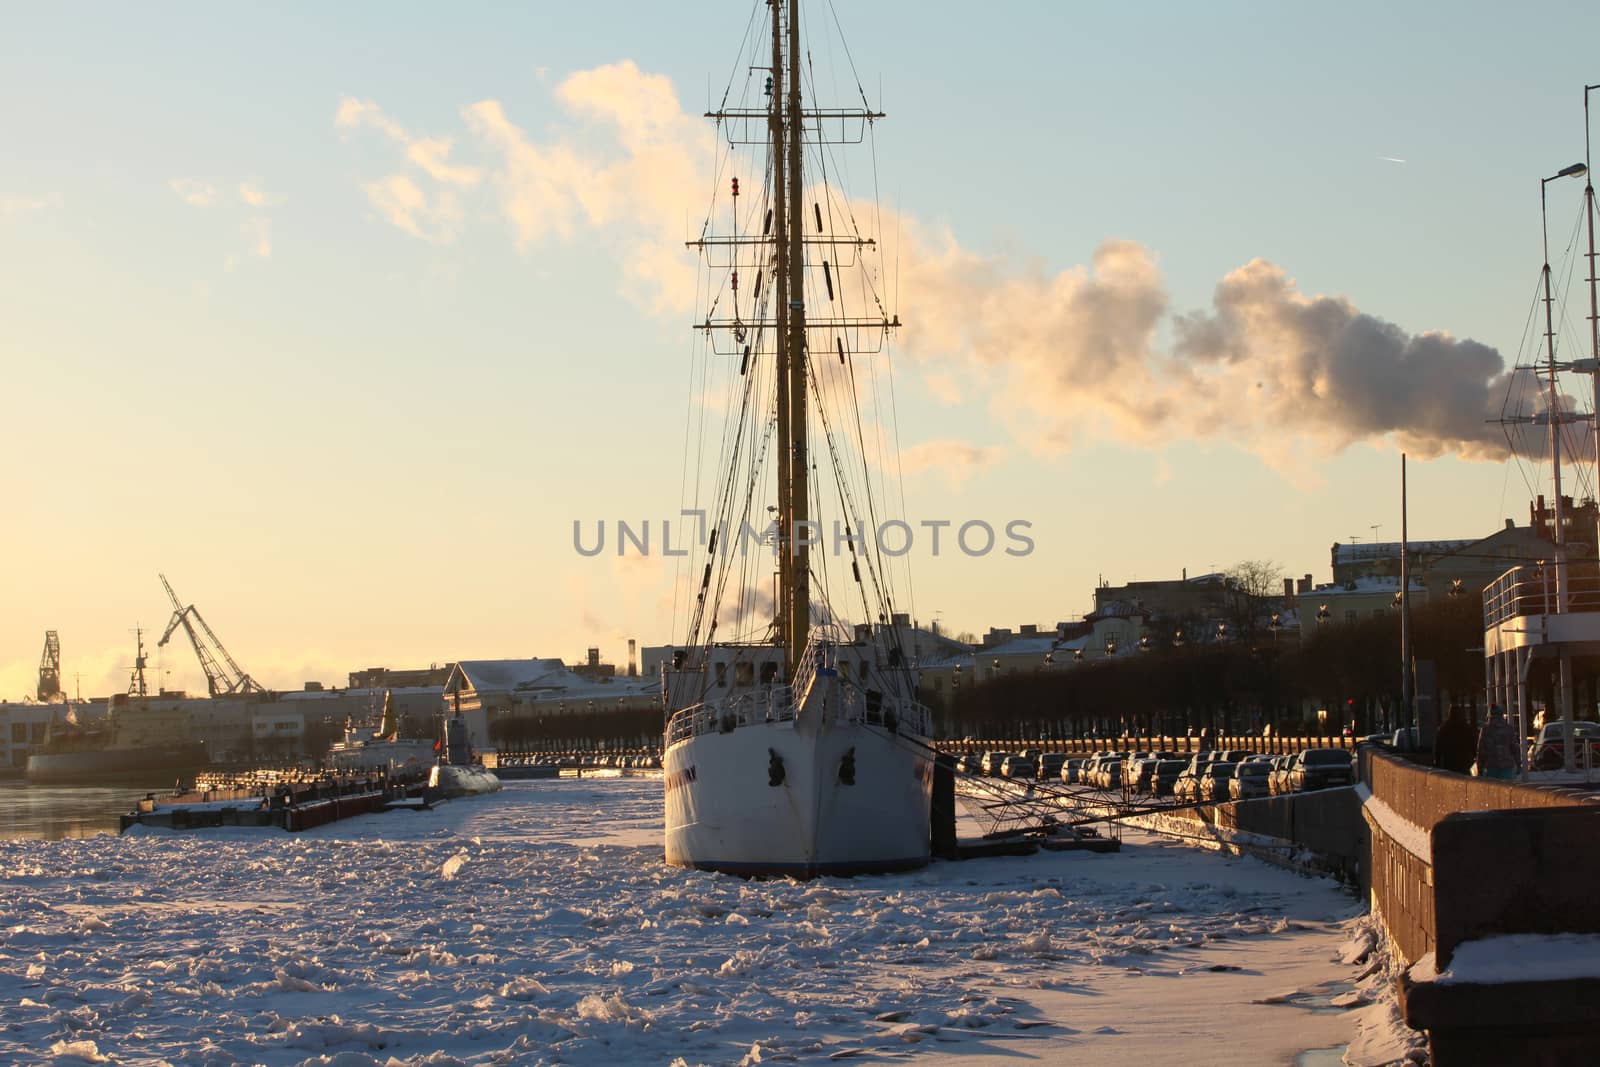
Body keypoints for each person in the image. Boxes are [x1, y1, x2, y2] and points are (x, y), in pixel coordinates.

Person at [1475, 705, 1520, 780]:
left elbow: (1481, 750)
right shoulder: (1508, 728)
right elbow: (1515, 748)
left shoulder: (1485, 729)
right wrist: (1518, 764)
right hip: (1506, 766)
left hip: (1491, 766)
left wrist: (1480, 767)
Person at [1434, 705, 1476, 774]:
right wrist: (1474, 756)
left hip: (1449, 761)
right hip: (1464, 761)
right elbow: (1473, 743)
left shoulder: (1444, 728)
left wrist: (1437, 760)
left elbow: (1438, 746)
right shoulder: (1466, 727)